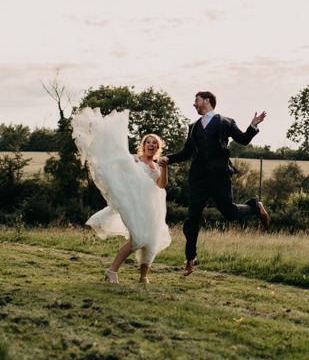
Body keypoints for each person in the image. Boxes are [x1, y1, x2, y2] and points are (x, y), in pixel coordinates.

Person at [159, 90, 269, 276]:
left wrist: (253, 125)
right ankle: (190, 258)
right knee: (191, 219)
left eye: (197, 100)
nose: (194, 104)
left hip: (219, 176)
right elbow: (186, 153)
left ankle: (254, 206)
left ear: (207, 101)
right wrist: (167, 158)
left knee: (230, 213)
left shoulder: (225, 122)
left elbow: (242, 140)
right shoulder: (193, 127)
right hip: (198, 179)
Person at [72, 108, 171, 284]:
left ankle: (143, 277)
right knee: (138, 239)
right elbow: (116, 165)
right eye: (148, 142)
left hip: (151, 209)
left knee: (151, 242)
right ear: (143, 145)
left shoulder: (156, 167)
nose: (151, 144)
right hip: (133, 207)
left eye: (154, 143)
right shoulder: (134, 160)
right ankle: (112, 271)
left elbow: (162, 185)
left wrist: (164, 168)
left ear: (158, 148)